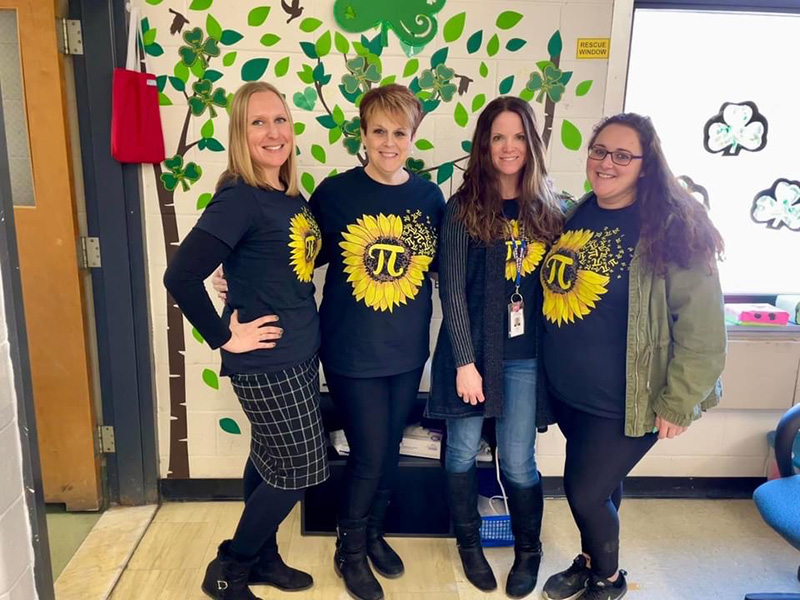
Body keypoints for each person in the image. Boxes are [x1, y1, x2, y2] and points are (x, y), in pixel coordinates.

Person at [539, 113, 726, 600]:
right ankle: (590, 561)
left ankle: (609, 578)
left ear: (646, 165)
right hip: (573, 392)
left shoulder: (674, 227)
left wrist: (679, 402)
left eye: (623, 154)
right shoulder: (581, 211)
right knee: (602, 486)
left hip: (631, 397)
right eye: (599, 151)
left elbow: (704, 330)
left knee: (583, 491)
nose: (607, 162)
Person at [163, 81, 329, 600]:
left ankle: (264, 557)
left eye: (280, 119)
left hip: (300, 350)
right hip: (264, 360)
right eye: (258, 122)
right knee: (299, 468)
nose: (273, 132)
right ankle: (230, 568)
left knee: (269, 459)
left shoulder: (287, 194)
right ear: (240, 132)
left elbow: (298, 257)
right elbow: (181, 276)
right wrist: (223, 336)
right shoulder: (240, 196)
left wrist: (237, 273)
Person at [310, 84, 445, 600]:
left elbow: (443, 269)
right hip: (349, 349)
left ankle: (373, 533)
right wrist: (238, 277)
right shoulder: (336, 193)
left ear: (413, 136)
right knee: (368, 452)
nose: (389, 143)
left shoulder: (428, 197)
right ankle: (349, 550)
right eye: (379, 132)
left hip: (407, 349)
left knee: (387, 449)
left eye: (400, 133)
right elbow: (296, 255)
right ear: (363, 135)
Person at [426, 96, 563, 598]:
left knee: (518, 461)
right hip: (471, 355)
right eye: (498, 136)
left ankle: (529, 552)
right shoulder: (463, 208)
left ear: (532, 143)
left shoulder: (552, 208)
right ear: (484, 144)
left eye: (519, 136)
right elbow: (453, 290)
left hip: (526, 357)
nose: (509, 147)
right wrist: (465, 363)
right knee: (461, 451)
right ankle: (469, 544)